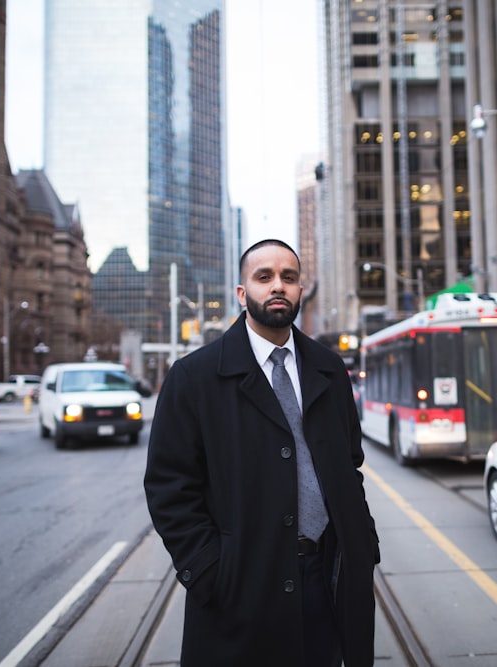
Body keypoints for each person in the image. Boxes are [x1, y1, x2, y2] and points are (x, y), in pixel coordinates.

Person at [144, 239, 380, 667]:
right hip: (241, 588)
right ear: (242, 293)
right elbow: (169, 490)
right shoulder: (193, 379)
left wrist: (364, 546)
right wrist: (211, 573)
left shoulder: (330, 369)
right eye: (264, 277)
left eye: (288, 278)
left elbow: (349, 467)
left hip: (327, 579)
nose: (278, 286)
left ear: (299, 290)